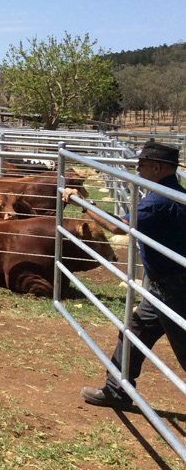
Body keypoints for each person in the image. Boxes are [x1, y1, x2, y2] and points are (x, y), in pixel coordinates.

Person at [76, 141, 185, 408]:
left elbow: (118, 227)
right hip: (162, 286)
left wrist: (85, 205)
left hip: (173, 290)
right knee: (134, 331)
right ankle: (117, 390)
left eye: (141, 165)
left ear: (156, 167)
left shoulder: (158, 201)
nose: (138, 171)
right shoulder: (174, 194)